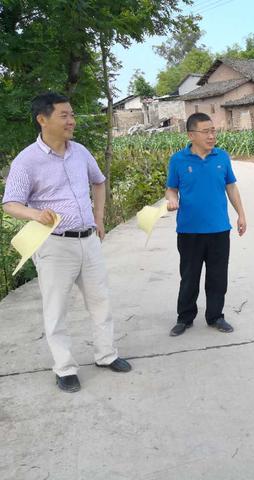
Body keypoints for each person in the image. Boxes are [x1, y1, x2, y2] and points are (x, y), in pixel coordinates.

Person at [2, 92, 132, 393]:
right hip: (54, 245)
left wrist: (99, 218)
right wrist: (36, 214)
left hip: (88, 240)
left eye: (72, 114)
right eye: (64, 115)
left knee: (101, 301)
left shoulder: (80, 152)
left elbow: (99, 181)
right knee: (56, 308)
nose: (71, 120)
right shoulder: (27, 160)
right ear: (42, 119)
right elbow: (10, 204)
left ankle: (106, 354)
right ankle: (65, 368)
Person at [166, 112, 246, 337]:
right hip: (189, 230)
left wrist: (241, 214)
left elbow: (231, 187)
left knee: (218, 276)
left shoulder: (222, 157)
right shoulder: (178, 160)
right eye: (206, 132)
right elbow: (171, 188)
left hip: (219, 229)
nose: (212, 136)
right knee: (189, 277)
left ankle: (215, 316)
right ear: (191, 135)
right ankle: (185, 318)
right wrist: (172, 199)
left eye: (213, 131)